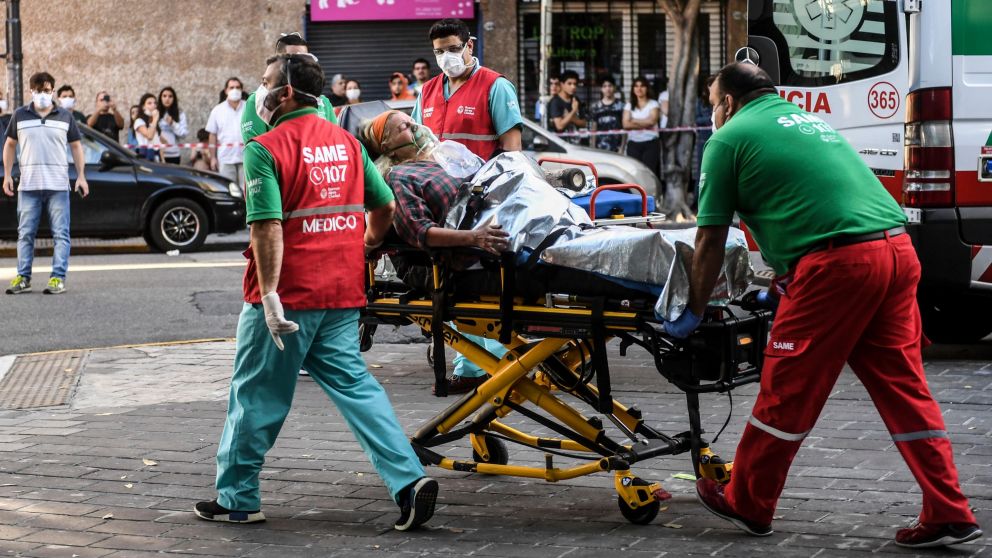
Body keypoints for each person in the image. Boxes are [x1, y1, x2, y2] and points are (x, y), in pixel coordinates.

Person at [666, 62, 982, 549]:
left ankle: (748, 501)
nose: (712, 114)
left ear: (728, 102)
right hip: (895, 252)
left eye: (712, 104)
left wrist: (693, 309)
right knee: (905, 389)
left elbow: (709, 239)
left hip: (838, 267)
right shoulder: (807, 121)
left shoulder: (727, 139)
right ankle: (949, 509)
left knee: (786, 390)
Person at [194, 53, 438, 531]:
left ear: (286, 92)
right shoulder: (348, 143)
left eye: (266, 83)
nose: (260, 92)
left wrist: (269, 296)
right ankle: (409, 482)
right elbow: (384, 206)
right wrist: (365, 246)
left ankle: (238, 498)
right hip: (342, 291)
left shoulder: (266, 148)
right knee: (358, 388)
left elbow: (267, 227)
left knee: (256, 394)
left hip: (288, 296)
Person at [361, 109, 511, 394]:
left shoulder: (444, 159)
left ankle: (475, 368)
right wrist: (475, 238)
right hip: (449, 258)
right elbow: (420, 232)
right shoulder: (398, 176)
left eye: (411, 121)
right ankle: (480, 367)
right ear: (387, 146)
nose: (415, 127)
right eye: (403, 127)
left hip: (487, 240)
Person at [2, 71, 89, 296]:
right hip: (28, 186)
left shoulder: (65, 116)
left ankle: (57, 278)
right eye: (38, 90)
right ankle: (23, 278)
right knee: (25, 235)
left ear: (53, 91)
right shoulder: (20, 115)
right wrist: (8, 175)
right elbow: (10, 144)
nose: (43, 94)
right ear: (31, 91)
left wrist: (81, 176)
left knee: (61, 234)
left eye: (47, 90)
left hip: (58, 186)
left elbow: (76, 146)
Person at [413, 18, 523, 160]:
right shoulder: (427, 90)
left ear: (469, 46)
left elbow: (512, 149)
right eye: (439, 52)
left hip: (481, 174)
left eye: (454, 49)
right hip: (435, 174)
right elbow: (415, 142)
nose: (446, 58)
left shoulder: (496, 86)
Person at [242, 33, 337, 145]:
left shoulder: (322, 101)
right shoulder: (259, 99)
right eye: (293, 58)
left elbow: (335, 140)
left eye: (304, 58)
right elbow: (257, 147)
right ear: (278, 59)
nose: (300, 63)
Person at [206, 77, 246, 188]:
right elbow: (212, 134)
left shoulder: (249, 107)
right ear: (226, 90)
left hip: (246, 158)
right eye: (231, 87)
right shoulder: (217, 110)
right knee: (228, 190)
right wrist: (213, 157)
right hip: (225, 158)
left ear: (242, 90)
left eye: (237, 87)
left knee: (247, 191)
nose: (235, 90)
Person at [622, 77, 661, 177]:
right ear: (633, 89)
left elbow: (652, 121)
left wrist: (633, 120)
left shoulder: (653, 103)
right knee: (635, 173)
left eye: (642, 86)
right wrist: (645, 122)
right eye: (636, 86)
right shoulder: (629, 105)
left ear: (647, 88)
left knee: (649, 173)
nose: (639, 89)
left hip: (651, 143)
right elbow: (626, 124)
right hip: (633, 143)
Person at [547, 70, 587, 146]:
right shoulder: (555, 102)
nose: (573, 87)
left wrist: (572, 119)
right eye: (569, 84)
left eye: (575, 84)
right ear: (562, 84)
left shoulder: (575, 100)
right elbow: (559, 126)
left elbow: (584, 123)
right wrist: (573, 111)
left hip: (577, 144)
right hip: (561, 146)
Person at [589, 76, 624, 153]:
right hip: (600, 148)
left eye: (610, 86)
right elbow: (593, 129)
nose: (607, 89)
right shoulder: (595, 107)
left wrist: (622, 147)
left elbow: (624, 129)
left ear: (614, 87)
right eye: (604, 86)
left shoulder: (621, 106)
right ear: (601, 89)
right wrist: (593, 147)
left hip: (617, 148)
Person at [158, 87, 188, 165]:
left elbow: (184, 134)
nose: (167, 99)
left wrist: (173, 124)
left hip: (173, 154)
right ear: (160, 98)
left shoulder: (179, 113)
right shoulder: (155, 112)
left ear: (174, 99)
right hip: (157, 153)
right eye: (164, 96)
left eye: (170, 96)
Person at [133, 93, 161, 162]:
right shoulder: (139, 121)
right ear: (143, 107)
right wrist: (155, 119)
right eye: (149, 103)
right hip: (146, 154)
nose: (153, 105)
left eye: (155, 103)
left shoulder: (153, 121)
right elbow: (149, 136)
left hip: (156, 154)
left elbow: (157, 141)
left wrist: (163, 160)